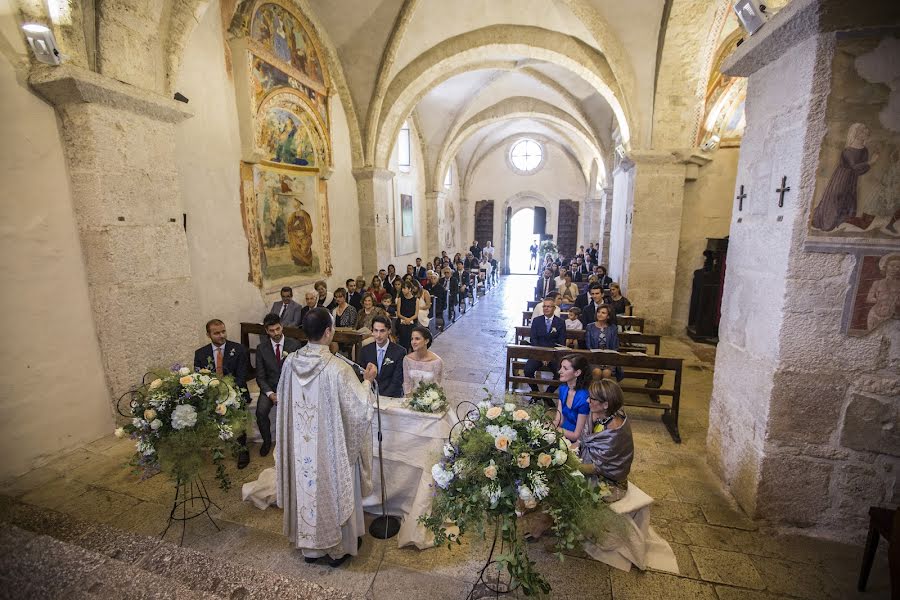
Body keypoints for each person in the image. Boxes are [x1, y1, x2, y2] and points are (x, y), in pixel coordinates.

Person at [274, 307, 377, 566]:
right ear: (329, 332)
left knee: (305, 487)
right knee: (333, 486)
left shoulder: (290, 363)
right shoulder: (337, 368)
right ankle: (337, 549)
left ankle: (310, 549)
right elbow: (359, 410)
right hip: (329, 450)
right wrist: (367, 382)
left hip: (300, 447)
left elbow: (283, 405)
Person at [194, 319, 251, 468]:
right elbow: (199, 378)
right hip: (212, 395)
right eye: (216, 333)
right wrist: (214, 395)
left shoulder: (239, 349)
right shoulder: (200, 354)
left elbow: (241, 376)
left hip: (236, 392)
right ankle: (215, 447)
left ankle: (242, 449)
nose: (221, 335)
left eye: (223, 331)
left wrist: (227, 395)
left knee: (240, 419)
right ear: (208, 334)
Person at [811, 122, 879, 231]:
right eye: (864, 130)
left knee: (849, 200)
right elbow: (854, 166)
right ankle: (828, 222)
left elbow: (860, 170)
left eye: (866, 129)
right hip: (841, 179)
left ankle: (842, 221)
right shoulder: (848, 150)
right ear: (856, 133)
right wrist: (871, 162)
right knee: (837, 199)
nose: (867, 131)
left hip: (852, 180)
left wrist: (870, 164)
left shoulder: (864, 150)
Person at [577, 378, 633, 502]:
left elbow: (598, 467)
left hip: (609, 480)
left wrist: (572, 466)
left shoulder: (614, 431)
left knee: (572, 491)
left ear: (606, 404)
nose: (587, 401)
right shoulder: (602, 413)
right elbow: (584, 439)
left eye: (592, 399)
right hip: (592, 466)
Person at [255, 313, 301, 457]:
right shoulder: (261, 348)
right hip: (269, 388)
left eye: (278, 329)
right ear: (266, 331)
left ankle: (296, 441)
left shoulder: (294, 344)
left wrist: (286, 391)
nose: (276, 333)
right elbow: (260, 376)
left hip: (290, 387)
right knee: (261, 411)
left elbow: (299, 371)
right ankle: (267, 441)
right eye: (272, 330)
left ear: (282, 326)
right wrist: (270, 394)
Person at [524, 297, 566, 397]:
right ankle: (536, 392)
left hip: (554, 355)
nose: (546, 308)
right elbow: (533, 339)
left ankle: (547, 394)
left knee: (561, 373)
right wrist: (542, 356)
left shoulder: (560, 322)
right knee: (528, 370)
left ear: (554, 308)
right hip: (538, 353)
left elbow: (561, 342)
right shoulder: (537, 321)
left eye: (549, 306)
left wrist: (549, 356)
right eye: (544, 306)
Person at [357, 315, 405, 397]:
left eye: (382, 331)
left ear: (389, 331)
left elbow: (397, 381)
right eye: (375, 330)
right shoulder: (365, 350)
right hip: (370, 395)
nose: (378, 335)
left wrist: (382, 398)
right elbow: (360, 376)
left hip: (391, 397)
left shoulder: (399, 352)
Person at [554, 354, 590, 443]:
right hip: (562, 431)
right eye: (561, 367)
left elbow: (576, 435)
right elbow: (559, 420)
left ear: (577, 373)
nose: (559, 371)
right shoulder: (563, 389)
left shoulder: (584, 398)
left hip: (577, 441)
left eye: (565, 368)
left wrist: (555, 430)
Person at [584, 304, 622, 381]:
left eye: (603, 313)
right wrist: (597, 355)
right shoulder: (590, 327)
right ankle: (595, 392)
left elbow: (615, 346)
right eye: (598, 312)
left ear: (608, 316)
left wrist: (607, 356)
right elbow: (589, 345)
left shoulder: (613, 328)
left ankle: (604, 392)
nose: (600, 314)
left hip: (609, 358)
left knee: (606, 373)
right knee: (597, 372)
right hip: (594, 357)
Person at [402, 326, 444, 395]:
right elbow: (407, 382)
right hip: (410, 399)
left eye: (417, 339)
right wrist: (409, 398)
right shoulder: (407, 359)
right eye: (412, 339)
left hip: (429, 399)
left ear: (426, 341)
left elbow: (437, 386)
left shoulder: (437, 361)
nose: (413, 342)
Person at [866, 253, 900, 331]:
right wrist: (881, 300)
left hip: (895, 316)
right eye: (891, 265)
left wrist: (894, 302)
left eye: (898, 267)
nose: (894, 269)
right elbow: (869, 298)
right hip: (875, 315)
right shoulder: (877, 283)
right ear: (886, 267)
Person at [396, 280, 418, 350]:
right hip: (402, 320)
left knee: (411, 332)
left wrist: (409, 319)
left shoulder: (416, 300)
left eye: (404, 288)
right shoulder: (400, 299)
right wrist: (405, 319)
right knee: (403, 331)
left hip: (412, 320)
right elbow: (398, 314)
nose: (403, 290)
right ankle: (403, 350)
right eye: (402, 288)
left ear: (410, 289)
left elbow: (416, 314)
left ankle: (412, 350)